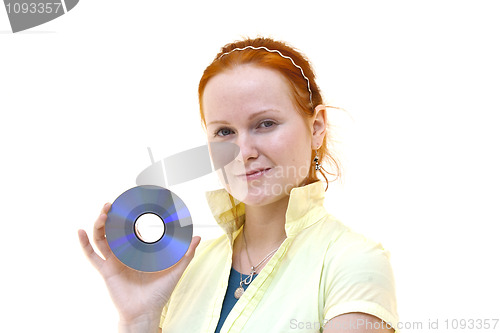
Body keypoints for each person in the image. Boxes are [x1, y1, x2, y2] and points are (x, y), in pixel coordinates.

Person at [78, 37, 399, 333]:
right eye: (224, 132)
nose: (244, 153)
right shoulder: (186, 269)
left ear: (316, 128)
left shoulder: (353, 263)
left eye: (265, 124)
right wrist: (140, 319)